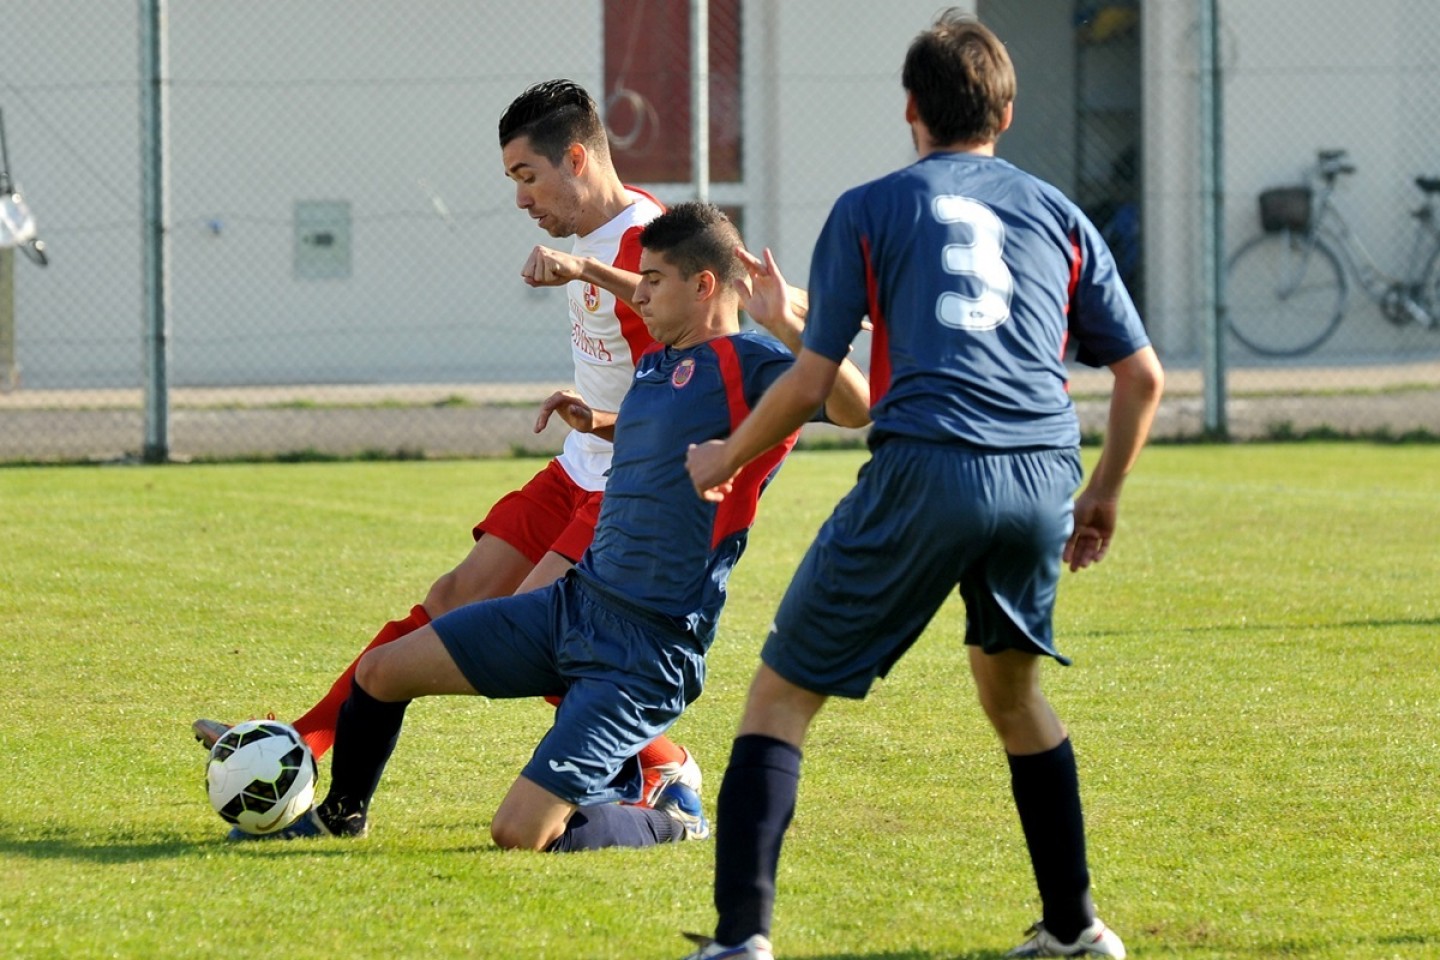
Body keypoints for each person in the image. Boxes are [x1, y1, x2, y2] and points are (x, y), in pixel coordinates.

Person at [682, 11, 1163, 960]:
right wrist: (1102, 493)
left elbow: (817, 386)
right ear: (1008, 111)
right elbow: (1142, 376)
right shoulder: (1061, 214)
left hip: (929, 466)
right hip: (1040, 473)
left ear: (910, 109)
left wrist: (725, 455)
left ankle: (740, 941)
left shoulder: (870, 207)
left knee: (779, 698)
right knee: (1012, 694)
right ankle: (1074, 927)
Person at [235, 202, 871, 851]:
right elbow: (665, 433)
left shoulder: (757, 364)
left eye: (653, 280)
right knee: (380, 672)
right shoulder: (657, 362)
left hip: (645, 651)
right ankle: (341, 816)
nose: (638, 294)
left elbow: (857, 406)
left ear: (704, 285)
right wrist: (599, 422)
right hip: (572, 608)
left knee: (519, 833)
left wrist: (794, 328)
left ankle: (673, 817)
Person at [193, 79, 698, 807]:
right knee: (456, 596)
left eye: (528, 177)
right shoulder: (596, 236)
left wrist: (589, 273)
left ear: (578, 158)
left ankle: (661, 763)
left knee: (536, 635)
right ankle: (305, 740)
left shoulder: (643, 241)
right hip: (577, 467)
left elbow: (694, 340)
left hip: (627, 483)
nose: (521, 198)